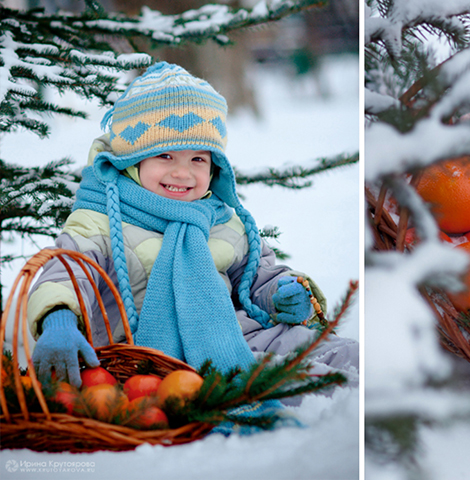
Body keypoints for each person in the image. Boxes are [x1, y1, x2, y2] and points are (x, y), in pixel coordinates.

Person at [28, 62, 358, 412]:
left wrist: (285, 292)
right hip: (153, 359)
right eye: (165, 155)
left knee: (344, 352)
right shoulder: (100, 219)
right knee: (300, 381)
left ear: (215, 167)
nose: (183, 172)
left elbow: (258, 276)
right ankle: (344, 414)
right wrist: (58, 317)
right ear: (130, 160)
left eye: (198, 158)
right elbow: (66, 269)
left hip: (232, 332)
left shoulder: (221, 220)